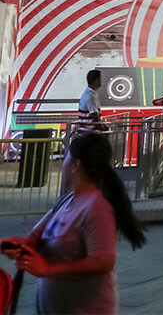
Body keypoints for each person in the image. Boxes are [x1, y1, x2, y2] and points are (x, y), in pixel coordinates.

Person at [1, 132, 146, 314]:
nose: (63, 165)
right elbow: (36, 235)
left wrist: (48, 268)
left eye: (66, 159)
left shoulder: (97, 207)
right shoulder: (68, 199)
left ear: (76, 165)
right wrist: (17, 246)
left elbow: (103, 261)